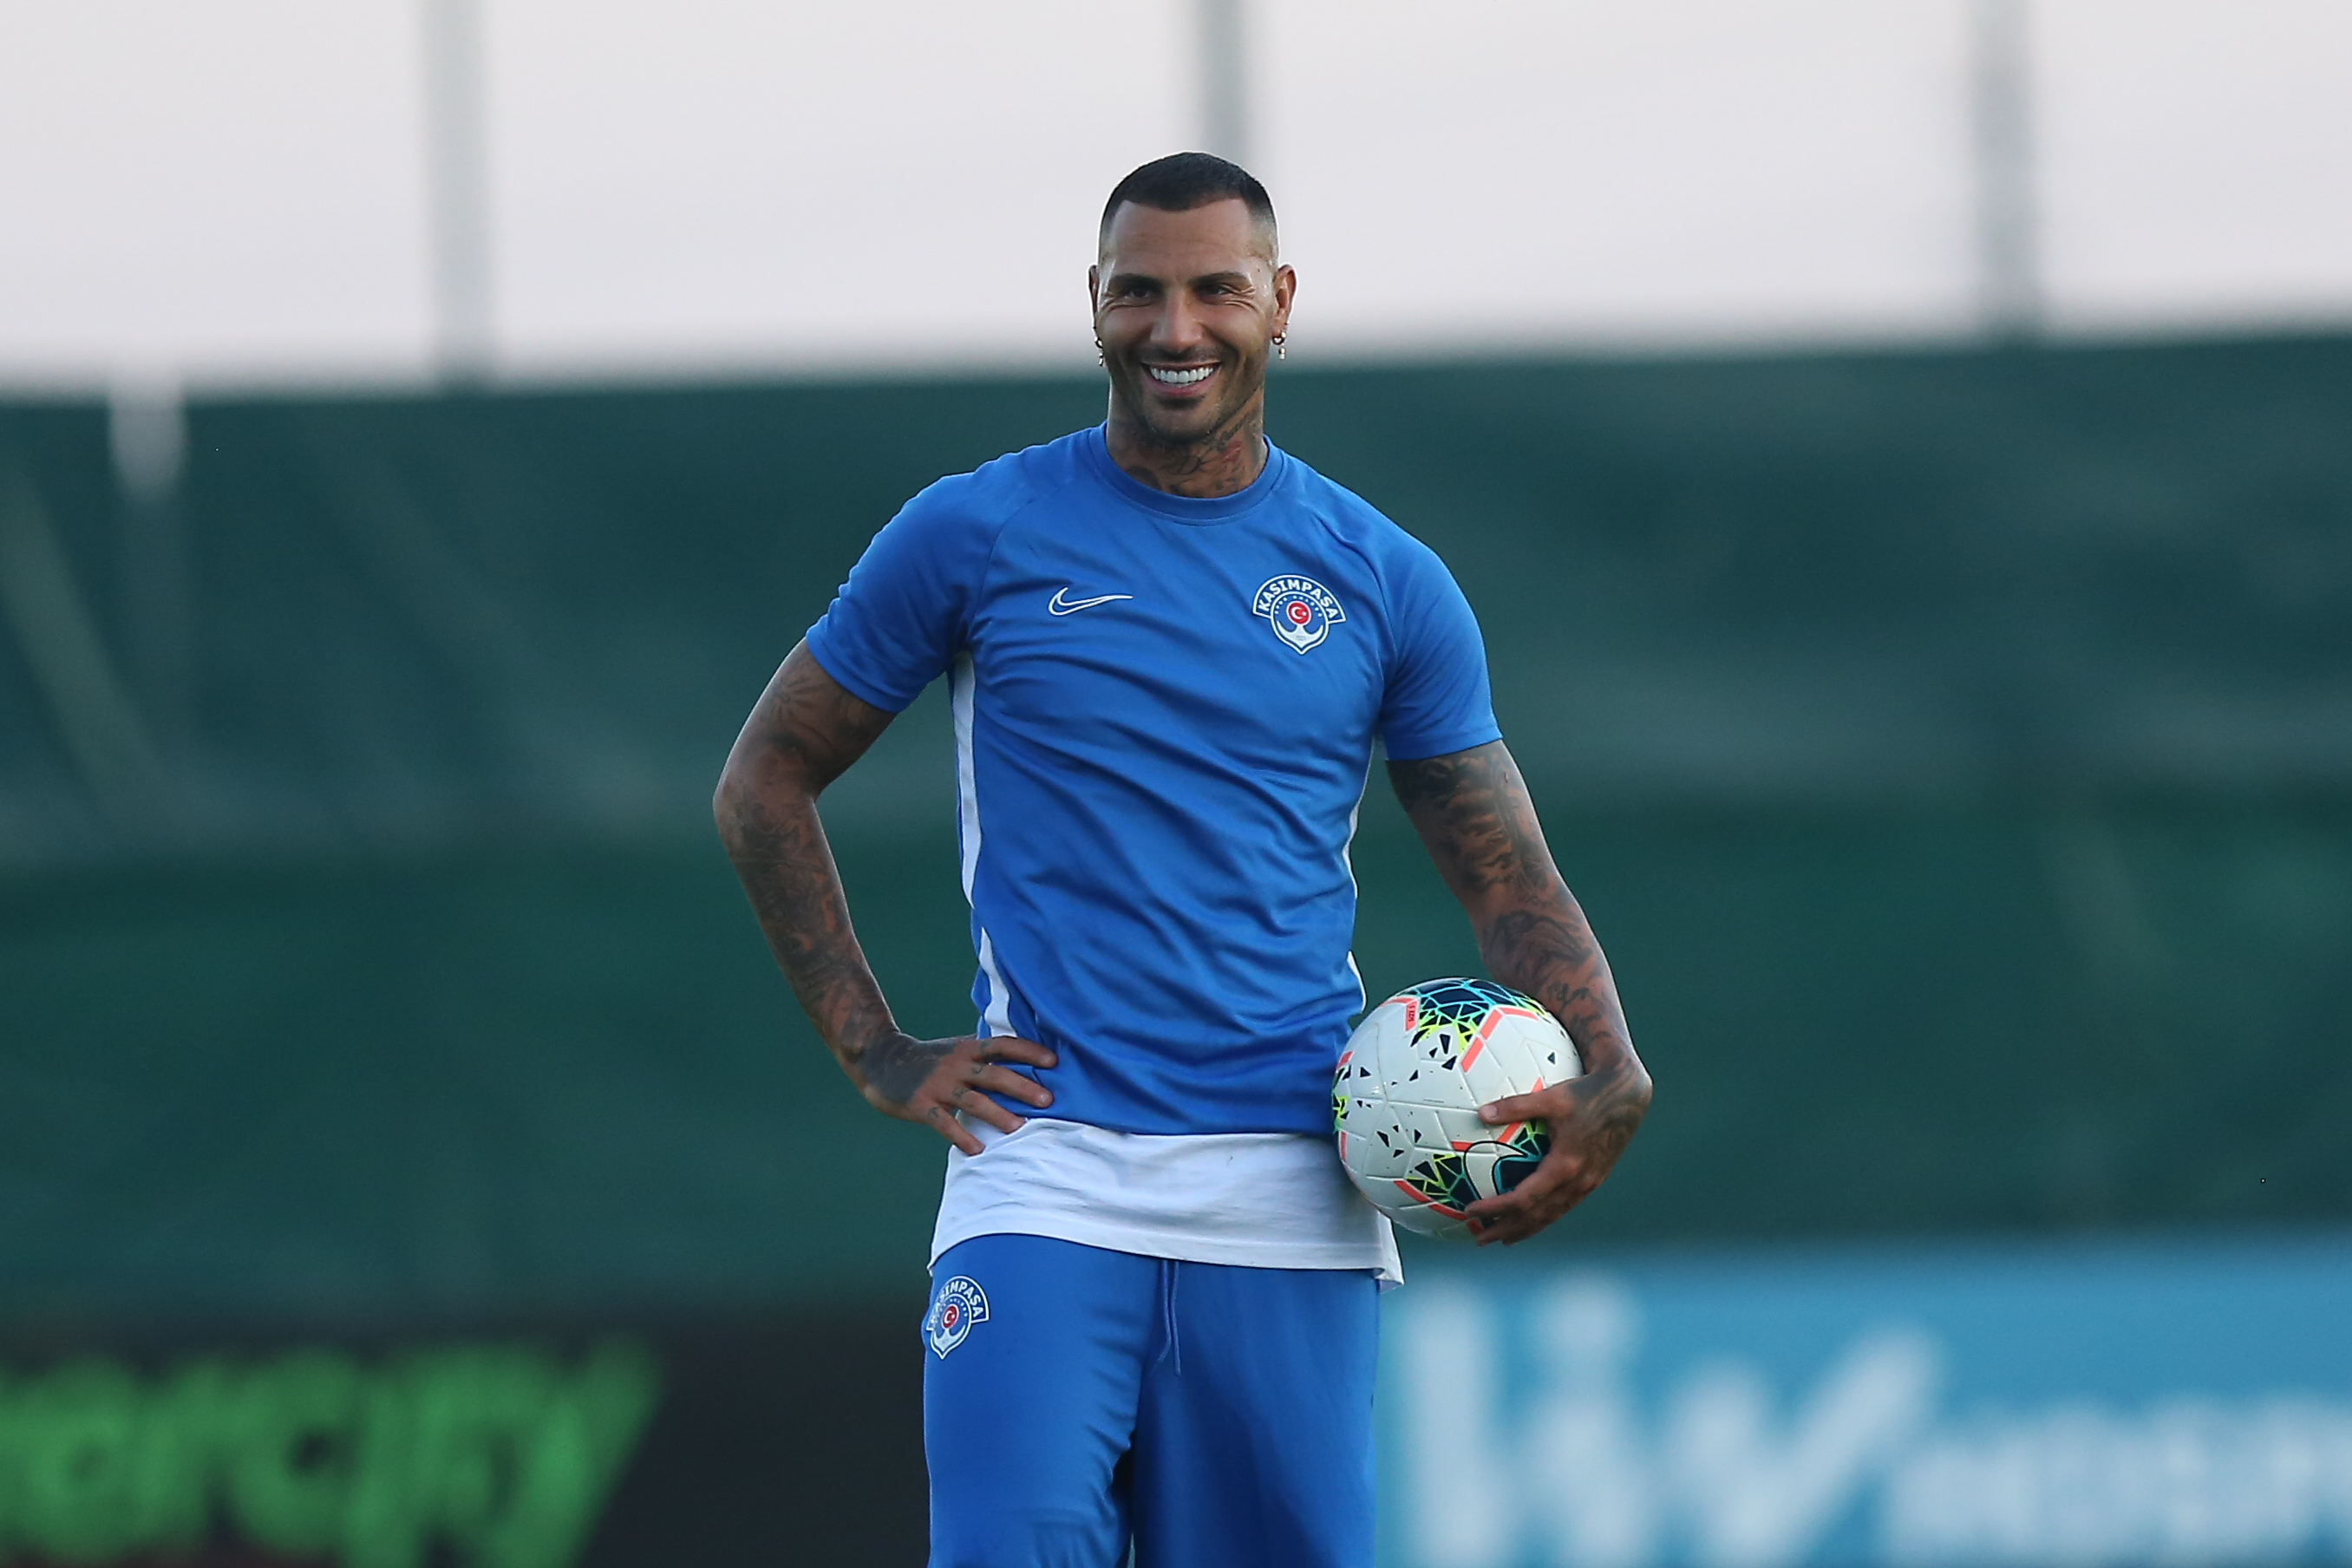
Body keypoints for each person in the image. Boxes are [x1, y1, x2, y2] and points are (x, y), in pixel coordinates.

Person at [714, 152, 1651, 1568]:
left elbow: (1504, 876)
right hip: (1044, 1176)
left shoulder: (1383, 578)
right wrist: (874, 1048)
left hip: (1292, 1196)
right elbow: (764, 781)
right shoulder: (974, 531)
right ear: (1091, 303)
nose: (1176, 328)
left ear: (1281, 302)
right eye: (1138, 292)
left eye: (1217, 289)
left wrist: (1610, 1062)